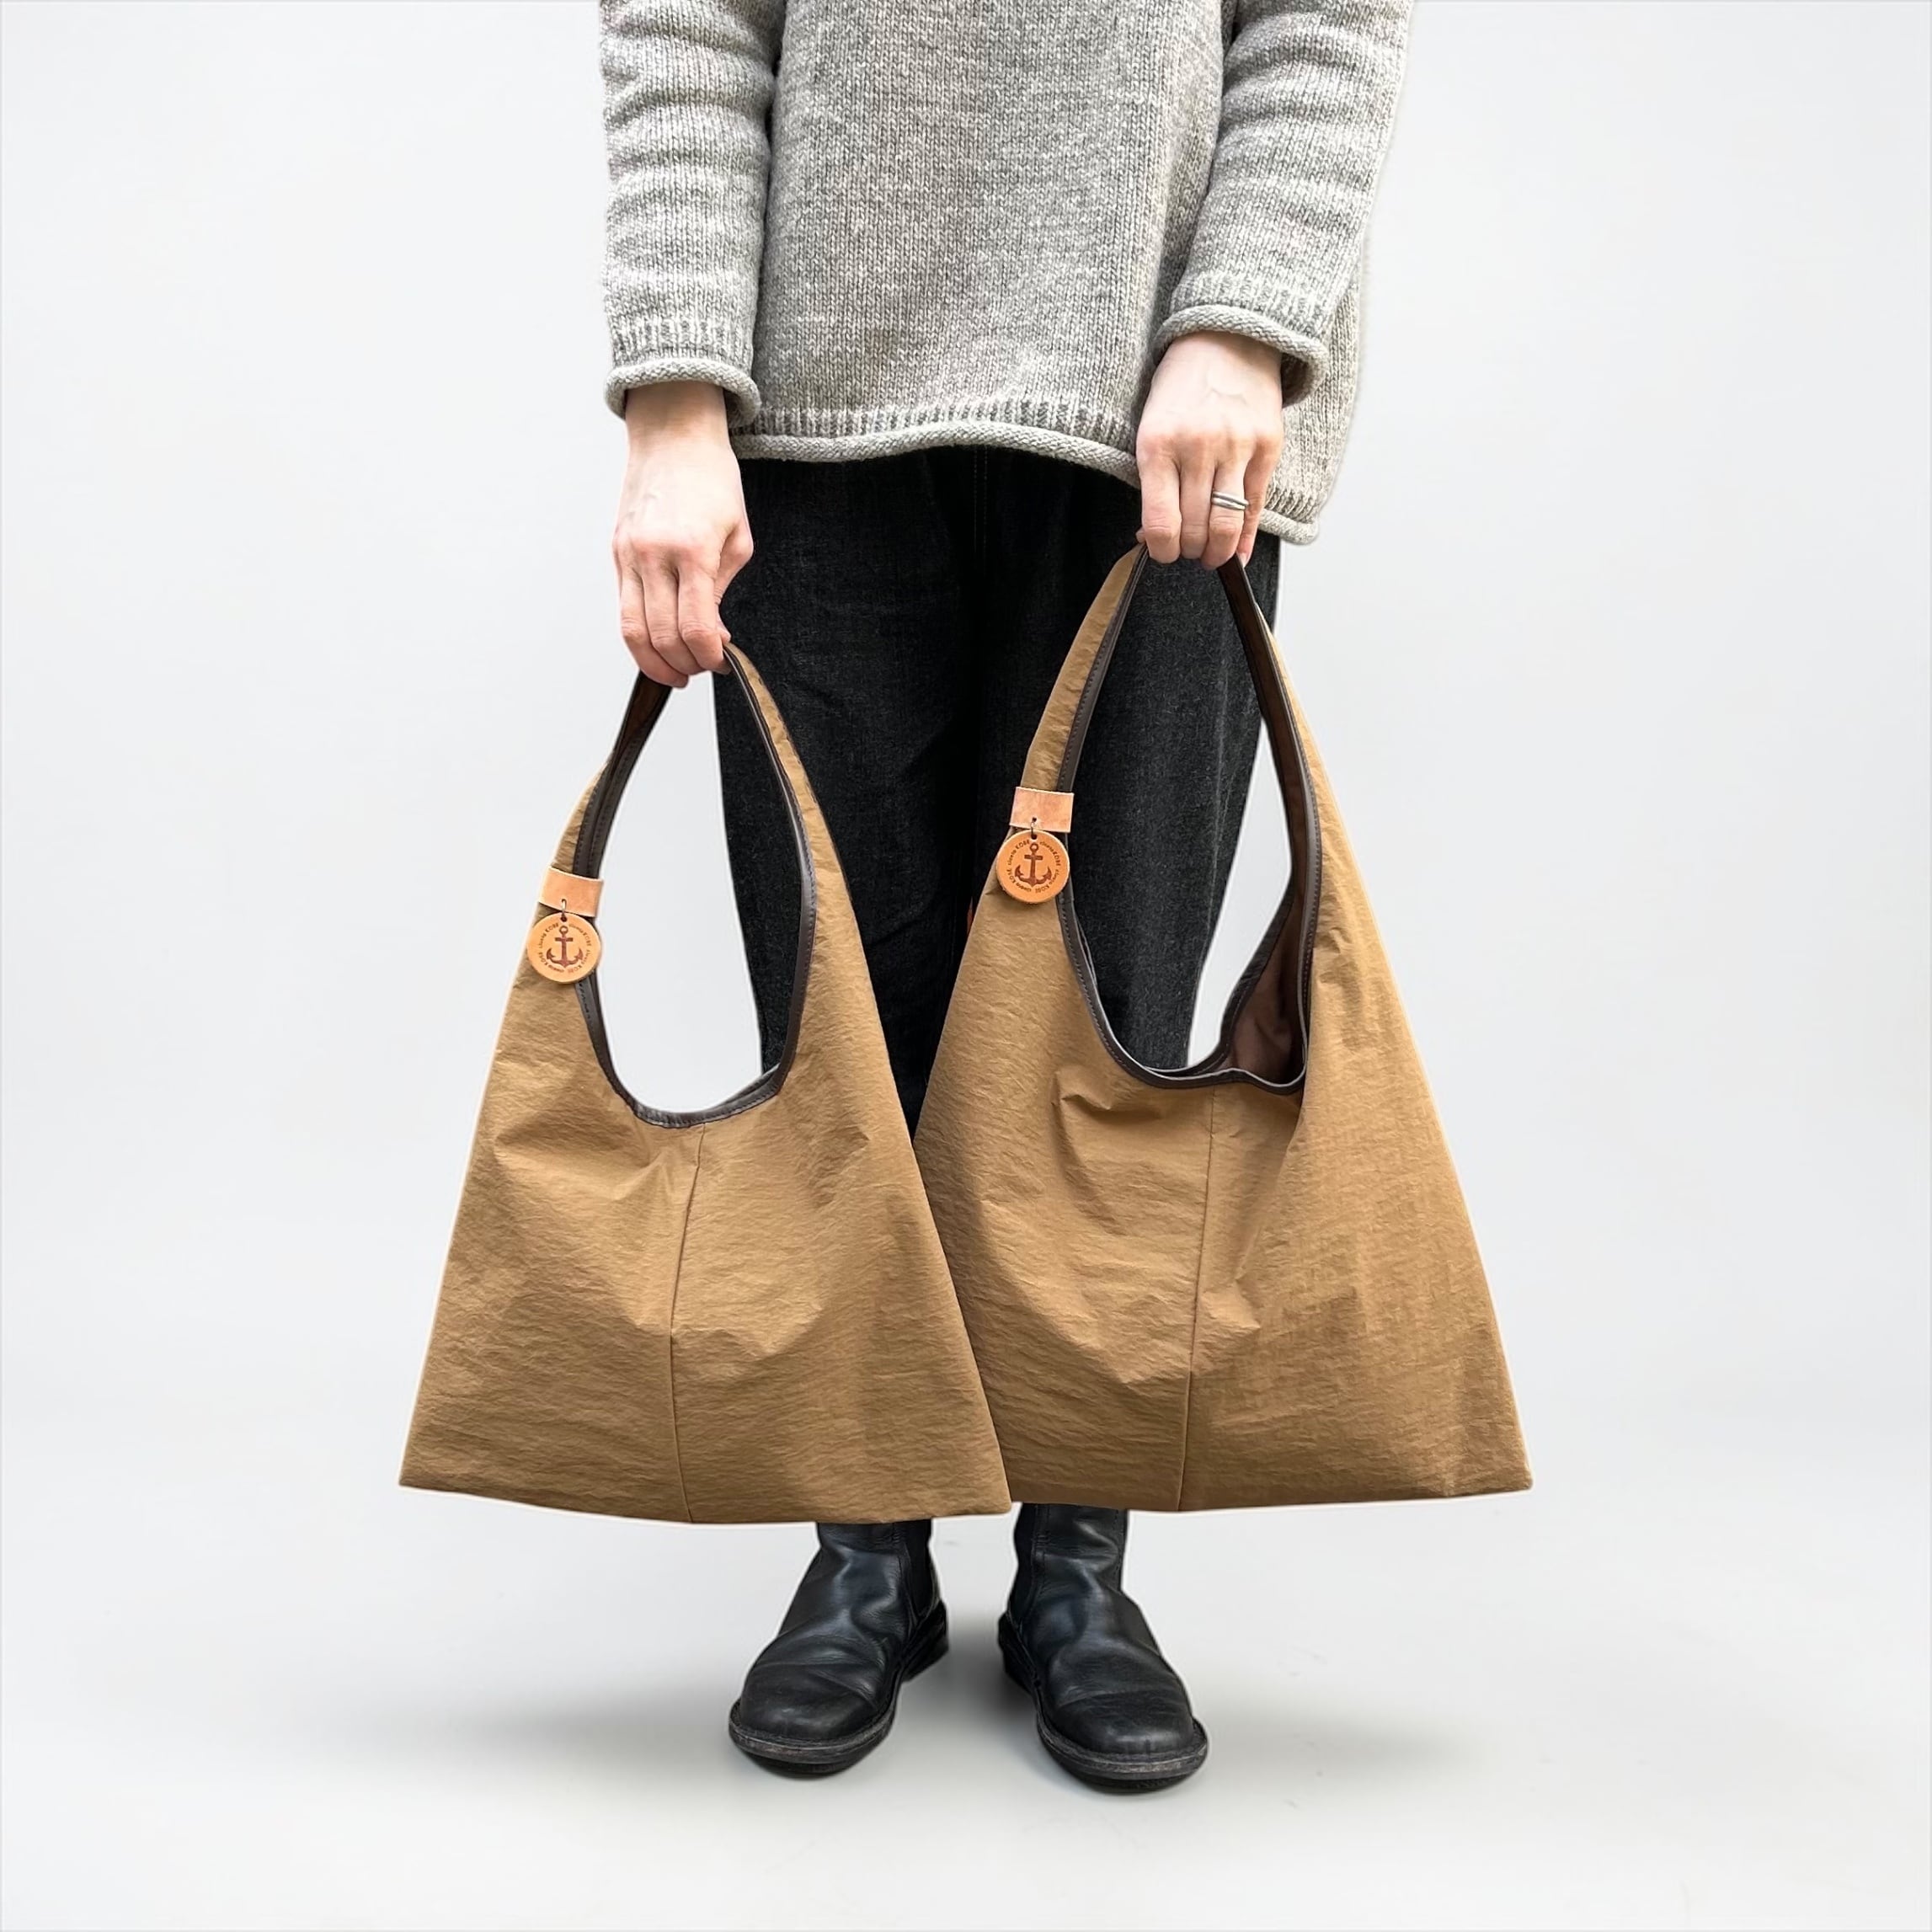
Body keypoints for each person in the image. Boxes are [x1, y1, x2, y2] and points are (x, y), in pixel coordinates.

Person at [600, 0, 1412, 1787]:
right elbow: (686, 29)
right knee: (839, 1026)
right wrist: (673, 397)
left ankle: (1075, 1568)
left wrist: (1242, 319)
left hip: (1164, 422)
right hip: (810, 429)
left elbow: (1324, 22)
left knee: (1106, 1041)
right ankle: (864, 1550)